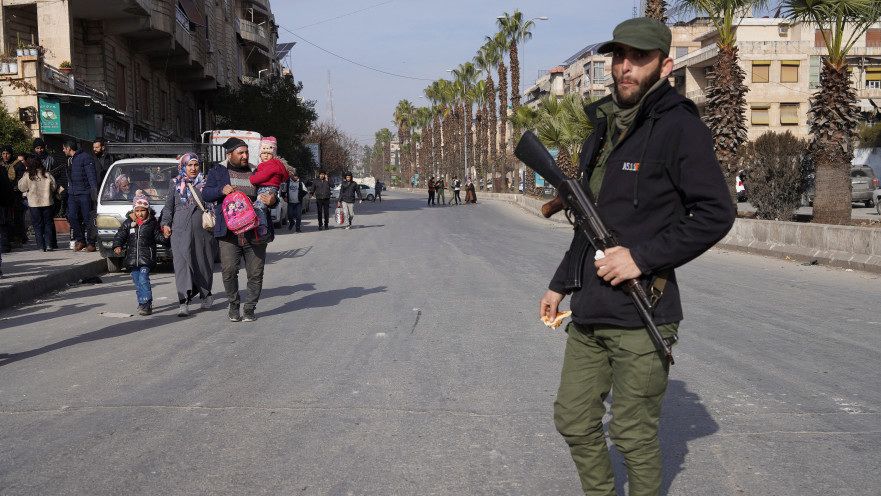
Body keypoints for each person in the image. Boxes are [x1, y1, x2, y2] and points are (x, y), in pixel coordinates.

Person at [538, 18, 736, 496]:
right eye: (619, 56)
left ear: (665, 65)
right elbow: (589, 219)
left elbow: (716, 213)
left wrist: (640, 258)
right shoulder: (603, 125)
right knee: (572, 418)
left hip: (643, 311)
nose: (625, 67)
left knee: (631, 434)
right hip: (588, 311)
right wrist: (561, 282)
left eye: (639, 57)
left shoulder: (679, 128)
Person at [202, 138, 278, 323]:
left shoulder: (257, 169)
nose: (245, 156)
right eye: (240, 153)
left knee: (255, 272)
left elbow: (274, 192)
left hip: (256, 230)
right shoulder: (218, 171)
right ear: (230, 155)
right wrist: (221, 190)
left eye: (246, 152)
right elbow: (206, 193)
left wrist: (273, 201)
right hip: (229, 232)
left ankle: (250, 308)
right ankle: (234, 304)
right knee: (228, 270)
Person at [161, 153, 219, 317]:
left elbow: (215, 202)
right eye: (189, 165)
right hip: (179, 230)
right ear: (183, 166)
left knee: (203, 262)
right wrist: (166, 223)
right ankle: (183, 301)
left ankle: (205, 294)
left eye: (196, 165)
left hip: (203, 231)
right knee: (182, 265)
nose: (193, 168)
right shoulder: (175, 183)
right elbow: (168, 206)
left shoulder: (206, 182)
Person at [113, 195, 166, 315]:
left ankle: (147, 303)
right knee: (137, 281)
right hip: (132, 258)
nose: (140, 213)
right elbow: (120, 234)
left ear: (148, 210)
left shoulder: (152, 223)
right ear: (133, 210)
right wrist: (117, 245)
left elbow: (158, 237)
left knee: (143, 279)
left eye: (142, 210)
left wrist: (166, 237)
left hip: (147, 257)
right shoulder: (129, 223)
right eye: (137, 210)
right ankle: (141, 302)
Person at [62, 140, 98, 252]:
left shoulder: (85, 158)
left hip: (85, 193)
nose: (62, 150)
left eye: (63, 148)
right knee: (72, 217)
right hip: (72, 194)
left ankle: (91, 243)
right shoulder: (68, 160)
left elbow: (91, 176)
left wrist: (94, 193)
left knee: (88, 219)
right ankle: (81, 241)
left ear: (68, 148)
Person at [17, 157, 59, 252]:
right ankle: (49, 244)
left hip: (34, 203)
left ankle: (40, 246)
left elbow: (22, 188)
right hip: (47, 202)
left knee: (37, 225)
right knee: (48, 223)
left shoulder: (28, 175)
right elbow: (54, 186)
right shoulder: (46, 174)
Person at [249, 136, 289, 237]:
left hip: (267, 188)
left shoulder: (272, 165)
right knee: (261, 208)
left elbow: (260, 177)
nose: (266, 156)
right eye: (263, 153)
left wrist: (252, 179)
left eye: (269, 153)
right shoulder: (266, 164)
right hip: (268, 188)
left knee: (259, 208)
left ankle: (262, 227)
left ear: (273, 154)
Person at [33, 138, 60, 249]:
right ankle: (41, 244)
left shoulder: (51, 158)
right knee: (38, 222)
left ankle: (51, 243)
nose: (40, 150)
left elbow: (58, 173)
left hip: (49, 194)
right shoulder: (32, 160)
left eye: (41, 148)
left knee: (49, 221)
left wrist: (49, 178)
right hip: (35, 195)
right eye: (37, 148)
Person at [2, 146, 27, 248]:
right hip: (4, 195)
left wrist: (16, 188)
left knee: (17, 217)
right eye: (3, 153)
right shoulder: (1, 164)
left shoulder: (18, 165)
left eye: (7, 153)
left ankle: (19, 238)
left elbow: (23, 179)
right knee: (5, 218)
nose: (5, 156)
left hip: (16, 195)